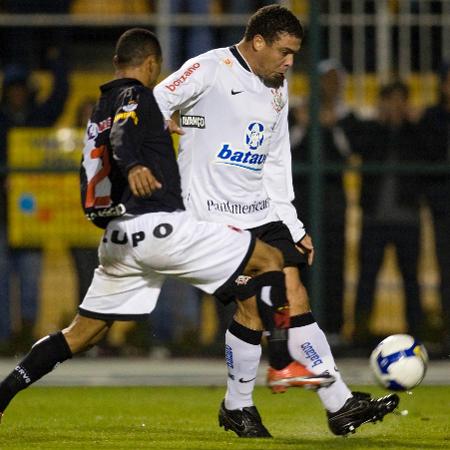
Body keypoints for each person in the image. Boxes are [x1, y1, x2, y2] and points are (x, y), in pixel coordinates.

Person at [0, 28, 329, 426]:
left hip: (118, 236)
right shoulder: (136, 97)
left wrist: (160, 127)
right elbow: (125, 134)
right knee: (270, 257)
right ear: (153, 64)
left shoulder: (100, 106)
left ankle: (4, 393)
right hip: (160, 228)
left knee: (81, 333)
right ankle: (280, 364)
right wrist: (135, 163)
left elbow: (111, 143)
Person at [154, 4, 399, 438]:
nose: (289, 62)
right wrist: (163, 124)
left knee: (289, 298)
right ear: (258, 41)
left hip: (262, 213)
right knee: (259, 305)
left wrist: (294, 224)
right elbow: (156, 98)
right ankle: (301, 403)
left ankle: (273, 406)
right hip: (214, 221)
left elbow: (274, 159)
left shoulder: (276, 87)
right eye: (284, 52)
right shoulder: (209, 68)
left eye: (295, 55)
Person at [0, 48, 69, 354]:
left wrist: (55, 59)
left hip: (29, 215)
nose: (17, 95)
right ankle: (4, 338)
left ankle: (25, 333)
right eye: (12, 90)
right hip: (3, 215)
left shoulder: (38, 117)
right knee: (2, 282)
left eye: (20, 90)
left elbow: (61, 94)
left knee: (29, 279)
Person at [290, 59, 364, 344]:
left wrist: (331, 125)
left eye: (336, 81)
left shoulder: (347, 117)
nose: (331, 87)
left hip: (333, 203)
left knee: (333, 263)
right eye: (326, 80)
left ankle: (332, 328)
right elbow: (283, 147)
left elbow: (351, 151)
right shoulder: (294, 112)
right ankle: (297, 328)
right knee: (298, 264)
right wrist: (305, 123)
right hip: (299, 203)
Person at [353, 81, 425, 348]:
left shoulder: (414, 132)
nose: (395, 106)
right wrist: (381, 123)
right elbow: (358, 148)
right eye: (390, 100)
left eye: (400, 100)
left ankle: (417, 333)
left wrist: (411, 123)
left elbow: (429, 151)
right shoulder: (373, 130)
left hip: (408, 217)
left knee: (411, 279)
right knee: (367, 277)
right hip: (374, 218)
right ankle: (359, 334)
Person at [419, 63, 450, 356]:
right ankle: (447, 335)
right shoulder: (433, 117)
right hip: (444, 209)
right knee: (446, 272)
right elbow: (428, 155)